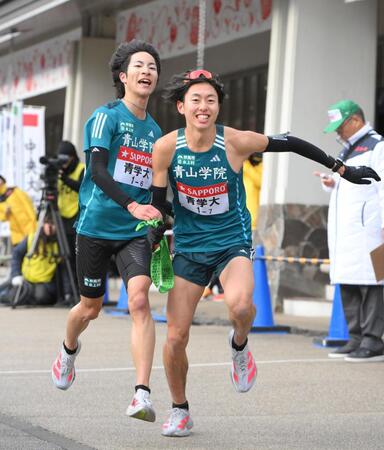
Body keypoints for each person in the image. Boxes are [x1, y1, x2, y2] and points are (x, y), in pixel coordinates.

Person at [149, 70, 380, 437]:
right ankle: (180, 409)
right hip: (190, 248)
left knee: (240, 307)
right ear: (181, 106)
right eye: (195, 100)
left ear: (218, 106)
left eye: (210, 100)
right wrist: (155, 227)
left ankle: (239, 345)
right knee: (175, 337)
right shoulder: (164, 148)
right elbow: (158, 203)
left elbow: (290, 143)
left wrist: (343, 168)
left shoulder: (236, 142)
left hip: (231, 241)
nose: (203, 107)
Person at [51, 40, 163, 422]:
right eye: (140, 66)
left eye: (152, 66)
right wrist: (131, 203)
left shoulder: (155, 131)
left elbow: (156, 184)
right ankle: (68, 351)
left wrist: (159, 218)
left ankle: (142, 394)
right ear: (123, 76)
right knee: (90, 308)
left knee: (139, 302)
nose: (147, 71)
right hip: (96, 227)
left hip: (134, 231)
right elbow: (97, 171)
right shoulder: (106, 117)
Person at [315, 99, 384, 362]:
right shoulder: (347, 150)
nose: (336, 132)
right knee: (349, 281)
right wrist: (330, 182)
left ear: (355, 120)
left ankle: (373, 341)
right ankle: (355, 337)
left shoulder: (377, 145)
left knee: (373, 283)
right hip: (348, 230)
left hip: (371, 228)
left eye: (339, 126)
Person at [6, 215, 61, 307]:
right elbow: (16, 254)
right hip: (26, 280)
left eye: (53, 224)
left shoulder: (59, 243)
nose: (50, 227)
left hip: (45, 283)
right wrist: (16, 274)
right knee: (10, 295)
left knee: (41, 297)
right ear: (42, 224)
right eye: (47, 223)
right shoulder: (32, 238)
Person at [57, 140, 85, 303]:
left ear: (73, 157)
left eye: (66, 159)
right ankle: (64, 294)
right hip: (60, 218)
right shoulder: (59, 171)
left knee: (76, 259)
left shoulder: (81, 169)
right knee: (62, 257)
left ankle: (78, 295)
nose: (64, 163)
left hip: (77, 218)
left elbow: (82, 187)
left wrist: (65, 178)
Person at [0, 175, 36, 247]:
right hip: (16, 234)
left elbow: (28, 205)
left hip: (29, 227)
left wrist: (33, 221)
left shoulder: (15, 191)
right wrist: (6, 213)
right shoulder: (1, 200)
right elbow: (2, 217)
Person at [243, 152, 263, 230]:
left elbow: (260, 181)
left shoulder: (262, 167)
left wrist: (245, 164)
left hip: (256, 224)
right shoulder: (242, 170)